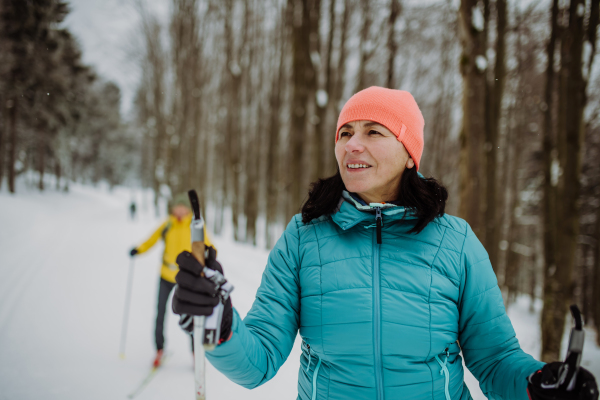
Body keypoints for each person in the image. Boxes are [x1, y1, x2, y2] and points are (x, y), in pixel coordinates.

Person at [171, 87, 598, 399]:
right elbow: (258, 360)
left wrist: (537, 383)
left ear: (409, 152)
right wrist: (219, 325)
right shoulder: (305, 237)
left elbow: (495, 359)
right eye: (345, 133)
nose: (352, 144)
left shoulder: (455, 241)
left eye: (374, 132)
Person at [130, 193, 215, 367]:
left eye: (184, 207)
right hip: (165, 276)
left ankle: (194, 353)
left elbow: (208, 245)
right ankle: (159, 349)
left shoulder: (195, 226)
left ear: (188, 209)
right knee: (160, 312)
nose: (180, 210)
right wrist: (138, 250)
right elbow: (151, 240)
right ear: (173, 208)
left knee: (190, 315)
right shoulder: (167, 224)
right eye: (178, 207)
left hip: (186, 279)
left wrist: (210, 261)